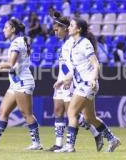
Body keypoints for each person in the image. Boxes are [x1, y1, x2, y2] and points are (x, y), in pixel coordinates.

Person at [54, 18, 120, 153]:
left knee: (72, 112)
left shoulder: (85, 43)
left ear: (78, 29)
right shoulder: (71, 45)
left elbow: (96, 64)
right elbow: (76, 69)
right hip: (81, 84)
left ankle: (69, 146)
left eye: (71, 25)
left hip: (87, 84)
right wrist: (64, 80)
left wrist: (94, 79)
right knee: (90, 118)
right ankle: (113, 139)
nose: (69, 27)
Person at [0, 18, 42, 150]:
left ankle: (36, 143)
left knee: (26, 114)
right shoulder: (19, 41)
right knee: (3, 111)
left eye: (6, 27)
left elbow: (10, 64)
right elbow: (13, 65)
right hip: (15, 83)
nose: (3, 29)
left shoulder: (16, 43)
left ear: (13, 29)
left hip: (23, 82)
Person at [45, 12, 103, 152]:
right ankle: (59, 144)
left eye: (57, 29)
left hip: (72, 81)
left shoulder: (74, 43)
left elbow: (73, 66)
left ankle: (76, 142)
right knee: (59, 110)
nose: (55, 32)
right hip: (64, 79)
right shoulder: (67, 43)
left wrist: (67, 80)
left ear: (66, 28)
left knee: (72, 113)